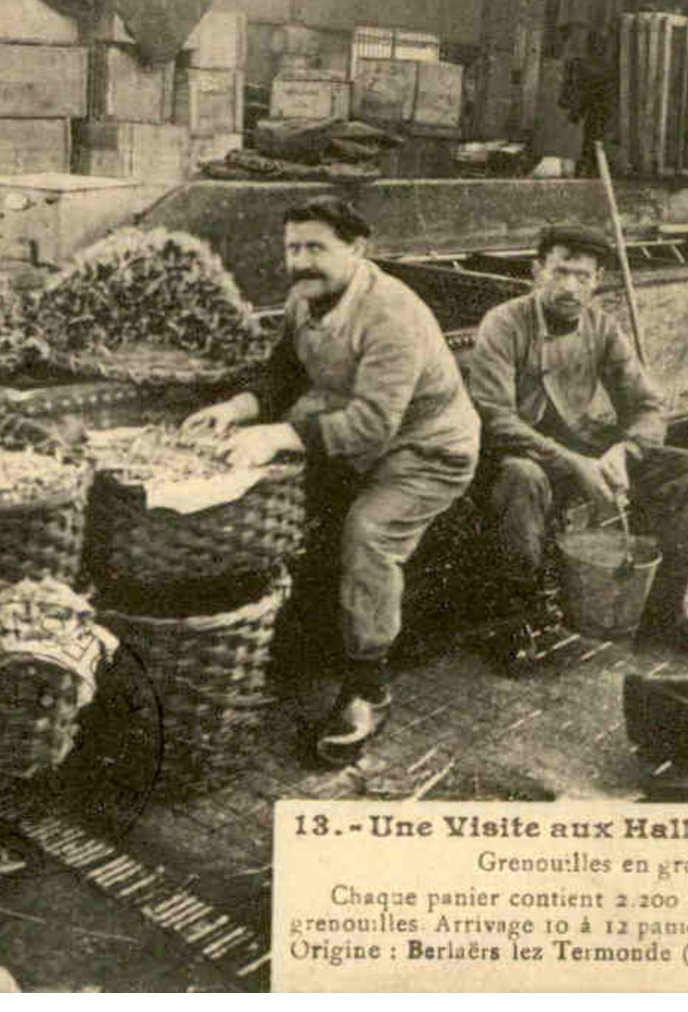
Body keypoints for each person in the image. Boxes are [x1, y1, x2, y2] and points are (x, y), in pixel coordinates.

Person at [183, 196, 481, 765]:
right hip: (355, 438)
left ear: (357, 249)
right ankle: (293, 647)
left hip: (425, 451)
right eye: (293, 248)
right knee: (283, 506)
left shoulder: (391, 313)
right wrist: (240, 408)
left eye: (316, 247)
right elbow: (285, 370)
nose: (301, 261)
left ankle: (368, 688)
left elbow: (373, 423)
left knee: (368, 534)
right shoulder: (308, 297)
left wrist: (277, 436)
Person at [465, 224, 688, 662]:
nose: (570, 287)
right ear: (536, 271)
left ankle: (667, 611)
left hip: (589, 452)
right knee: (521, 479)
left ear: (598, 281)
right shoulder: (504, 324)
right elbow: (495, 417)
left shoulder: (602, 328)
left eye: (583, 276)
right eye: (559, 272)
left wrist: (625, 450)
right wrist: (575, 462)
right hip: (520, 456)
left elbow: (649, 405)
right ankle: (511, 616)